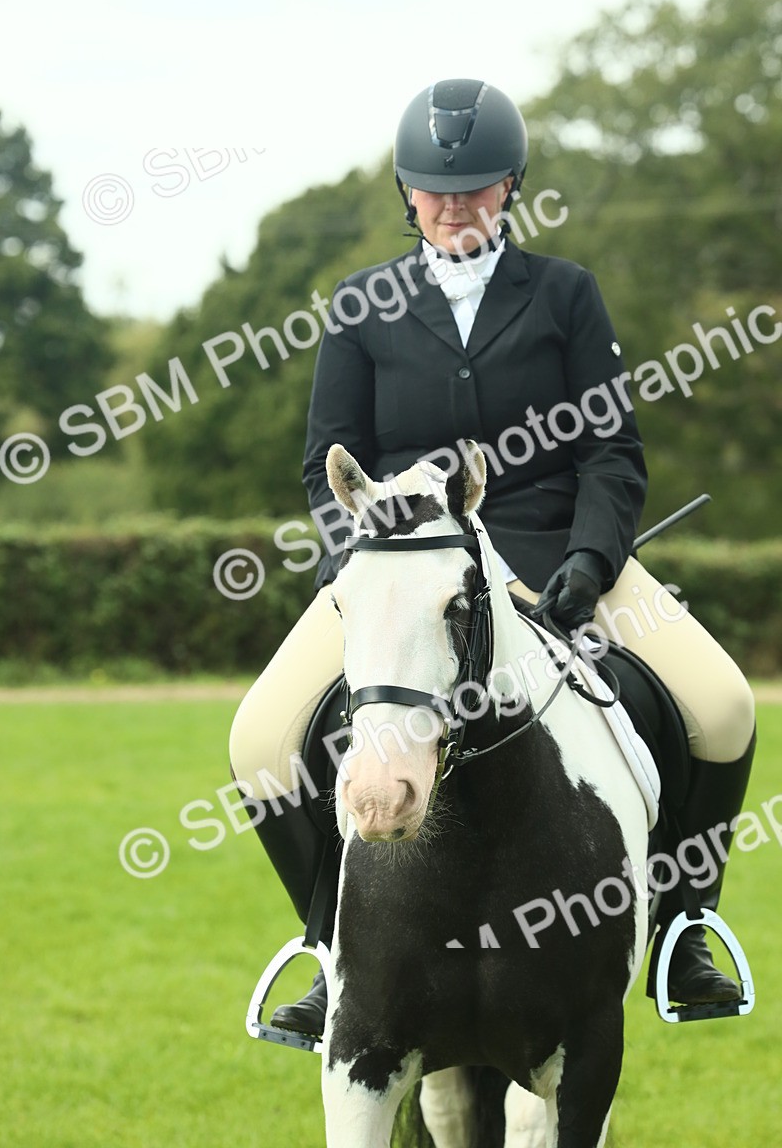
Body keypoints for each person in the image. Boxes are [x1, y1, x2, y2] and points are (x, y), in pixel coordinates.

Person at [229, 79, 756, 1039]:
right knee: (258, 743)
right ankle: (324, 941)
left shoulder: (564, 293)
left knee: (723, 706)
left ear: (511, 185)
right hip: (404, 568)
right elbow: (325, 464)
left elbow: (610, 453)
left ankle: (685, 926)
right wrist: (369, 564)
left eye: (475, 186)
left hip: (558, 554)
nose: (455, 204)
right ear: (407, 192)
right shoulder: (359, 306)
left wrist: (594, 563)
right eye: (436, 188)